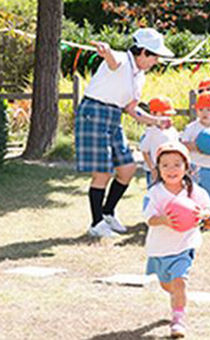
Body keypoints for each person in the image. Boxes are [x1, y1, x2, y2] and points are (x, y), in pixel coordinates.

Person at [75, 28, 174, 237]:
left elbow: (132, 109)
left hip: (114, 115)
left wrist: (156, 121)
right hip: (94, 111)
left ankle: (108, 212)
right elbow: (113, 61)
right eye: (155, 56)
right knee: (103, 172)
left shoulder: (140, 76)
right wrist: (107, 51)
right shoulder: (121, 58)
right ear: (143, 52)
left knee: (127, 168)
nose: (156, 61)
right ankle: (96, 223)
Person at [143, 142, 210, 338]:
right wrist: (164, 219)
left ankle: (178, 321)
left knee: (180, 282)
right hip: (159, 249)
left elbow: (208, 208)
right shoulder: (154, 193)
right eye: (165, 165)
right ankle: (175, 297)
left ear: (186, 167)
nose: (171, 169)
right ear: (158, 169)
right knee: (167, 285)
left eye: (176, 164)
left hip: (184, 245)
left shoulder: (193, 191)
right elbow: (149, 219)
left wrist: (203, 213)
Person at [180, 91, 210, 229]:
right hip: (193, 167)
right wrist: (194, 146)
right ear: (196, 110)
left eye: (209, 109)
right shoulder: (191, 128)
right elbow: (182, 145)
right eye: (201, 109)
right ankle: (191, 218)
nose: (205, 113)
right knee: (191, 193)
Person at [140, 97, 180, 188]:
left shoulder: (172, 131)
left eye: (169, 115)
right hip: (155, 170)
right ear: (153, 114)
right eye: (164, 114)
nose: (167, 118)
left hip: (169, 169)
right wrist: (153, 168)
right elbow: (145, 151)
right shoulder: (151, 131)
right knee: (154, 194)